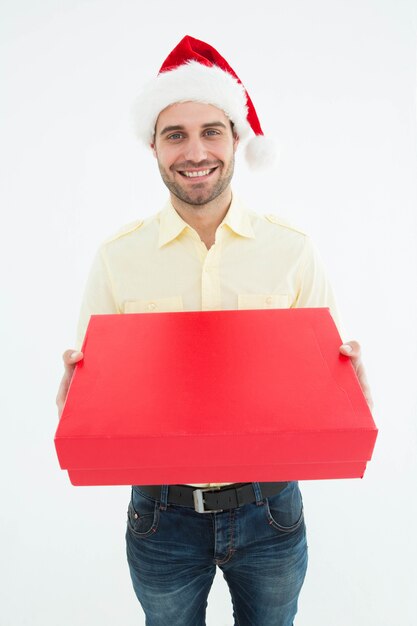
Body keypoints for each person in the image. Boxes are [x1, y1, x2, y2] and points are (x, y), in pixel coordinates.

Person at [56, 36, 373, 626]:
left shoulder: (292, 249)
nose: (194, 151)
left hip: (271, 509)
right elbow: (89, 393)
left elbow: (328, 389)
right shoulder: (117, 257)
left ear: (236, 140)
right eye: (175, 134)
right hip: (161, 516)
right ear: (153, 146)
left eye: (211, 131)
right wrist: (75, 394)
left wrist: (349, 385)